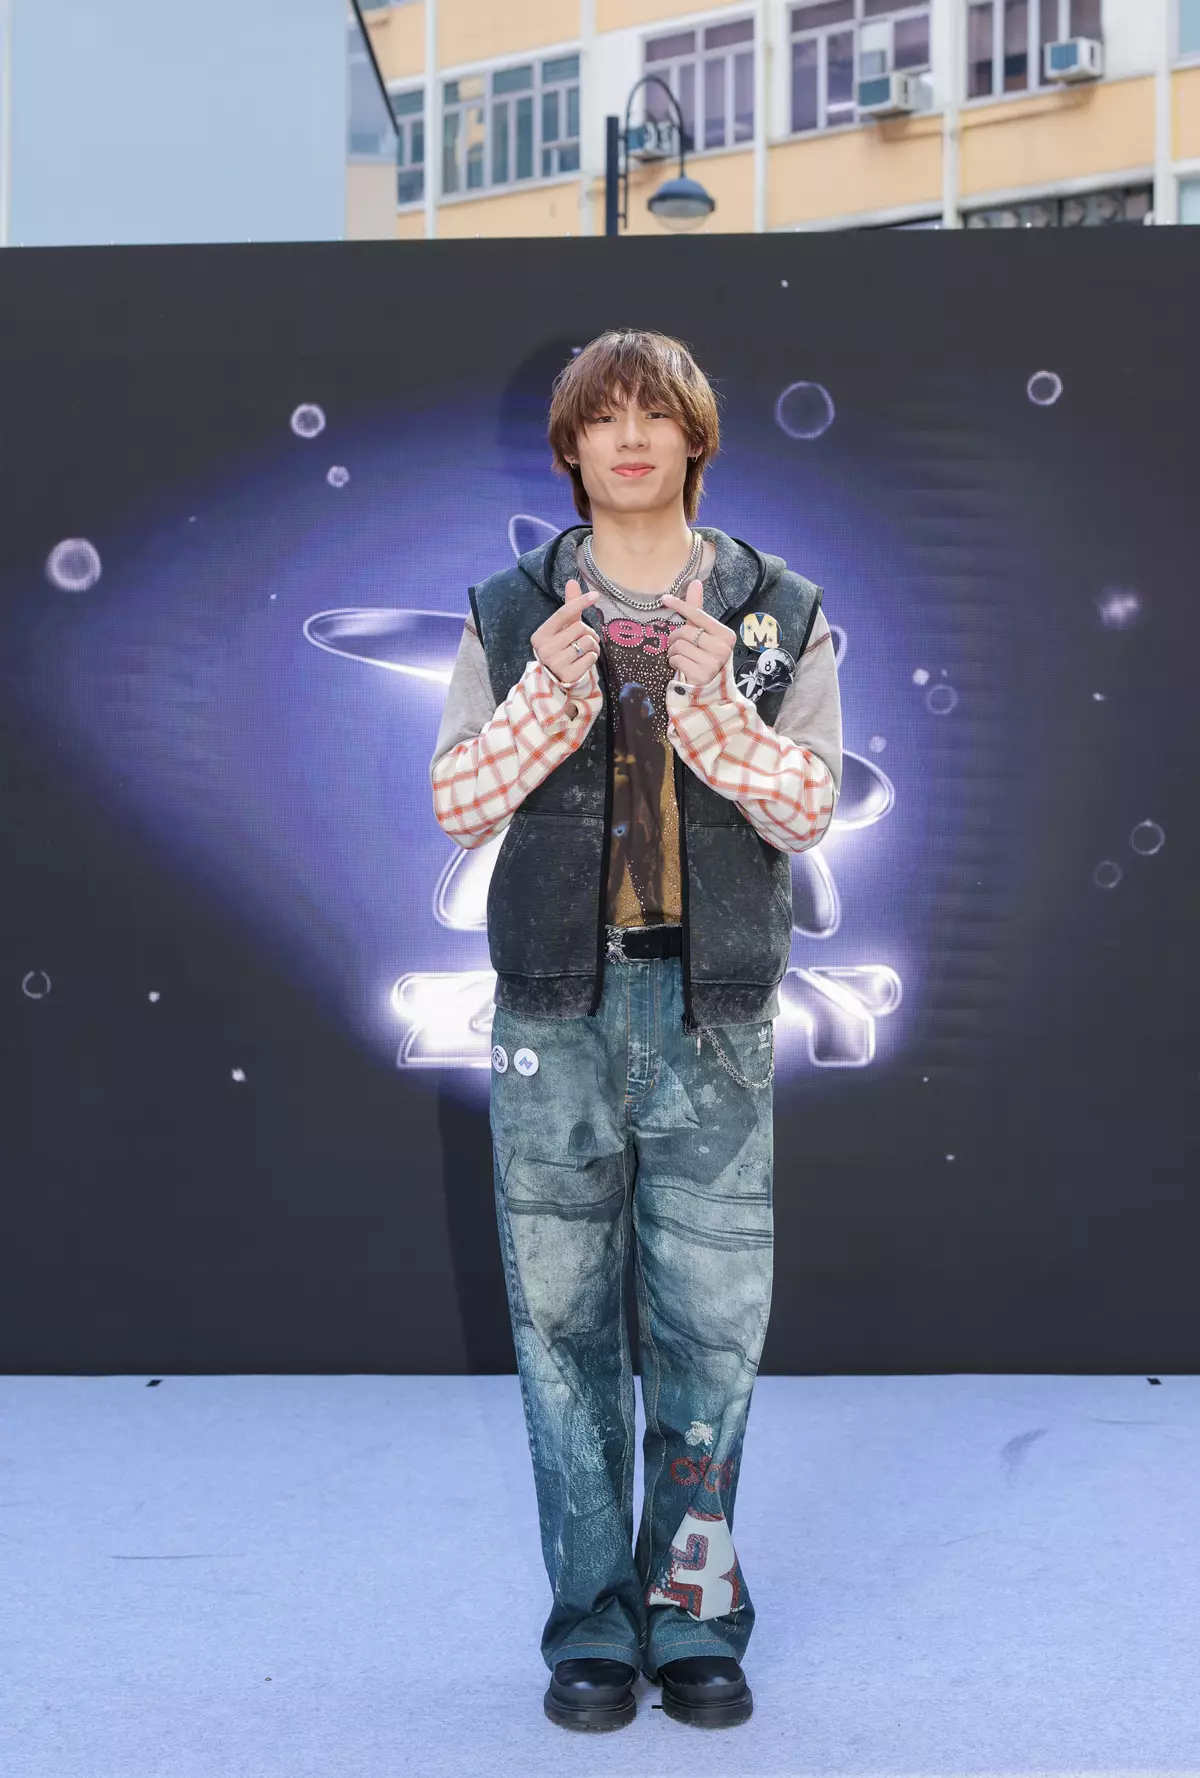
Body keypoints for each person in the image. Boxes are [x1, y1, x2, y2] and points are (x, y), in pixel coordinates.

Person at [429, 329, 842, 1732]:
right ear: (570, 446)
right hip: (557, 1013)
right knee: (561, 1336)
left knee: (712, 1340)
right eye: (602, 416)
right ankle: (592, 1627)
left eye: (654, 414)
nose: (628, 437)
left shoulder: (779, 609)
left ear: (693, 439)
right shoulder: (507, 612)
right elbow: (458, 802)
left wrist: (714, 699)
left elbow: (807, 809)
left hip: (712, 1017)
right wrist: (551, 693)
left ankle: (695, 1615)